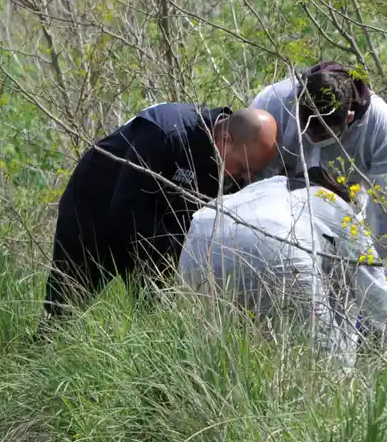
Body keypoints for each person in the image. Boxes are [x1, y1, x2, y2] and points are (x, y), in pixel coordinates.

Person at [178, 170, 387, 379]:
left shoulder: (262, 187)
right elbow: (376, 293)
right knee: (328, 369)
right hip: (276, 244)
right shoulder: (334, 204)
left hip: (199, 244)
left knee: (223, 354)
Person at [45, 104, 279, 314]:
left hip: (156, 226)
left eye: (252, 172)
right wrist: (175, 252)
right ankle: (41, 351)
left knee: (158, 316)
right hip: (96, 207)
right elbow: (127, 208)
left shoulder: (236, 160)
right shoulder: (166, 132)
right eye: (242, 167)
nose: (245, 178)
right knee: (64, 306)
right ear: (225, 140)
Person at [251, 62, 387, 265]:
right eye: (307, 130)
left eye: (323, 135)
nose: (314, 140)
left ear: (349, 117)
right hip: (276, 213)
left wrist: (382, 273)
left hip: (344, 219)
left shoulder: (382, 130)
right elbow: (249, 175)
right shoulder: (275, 103)